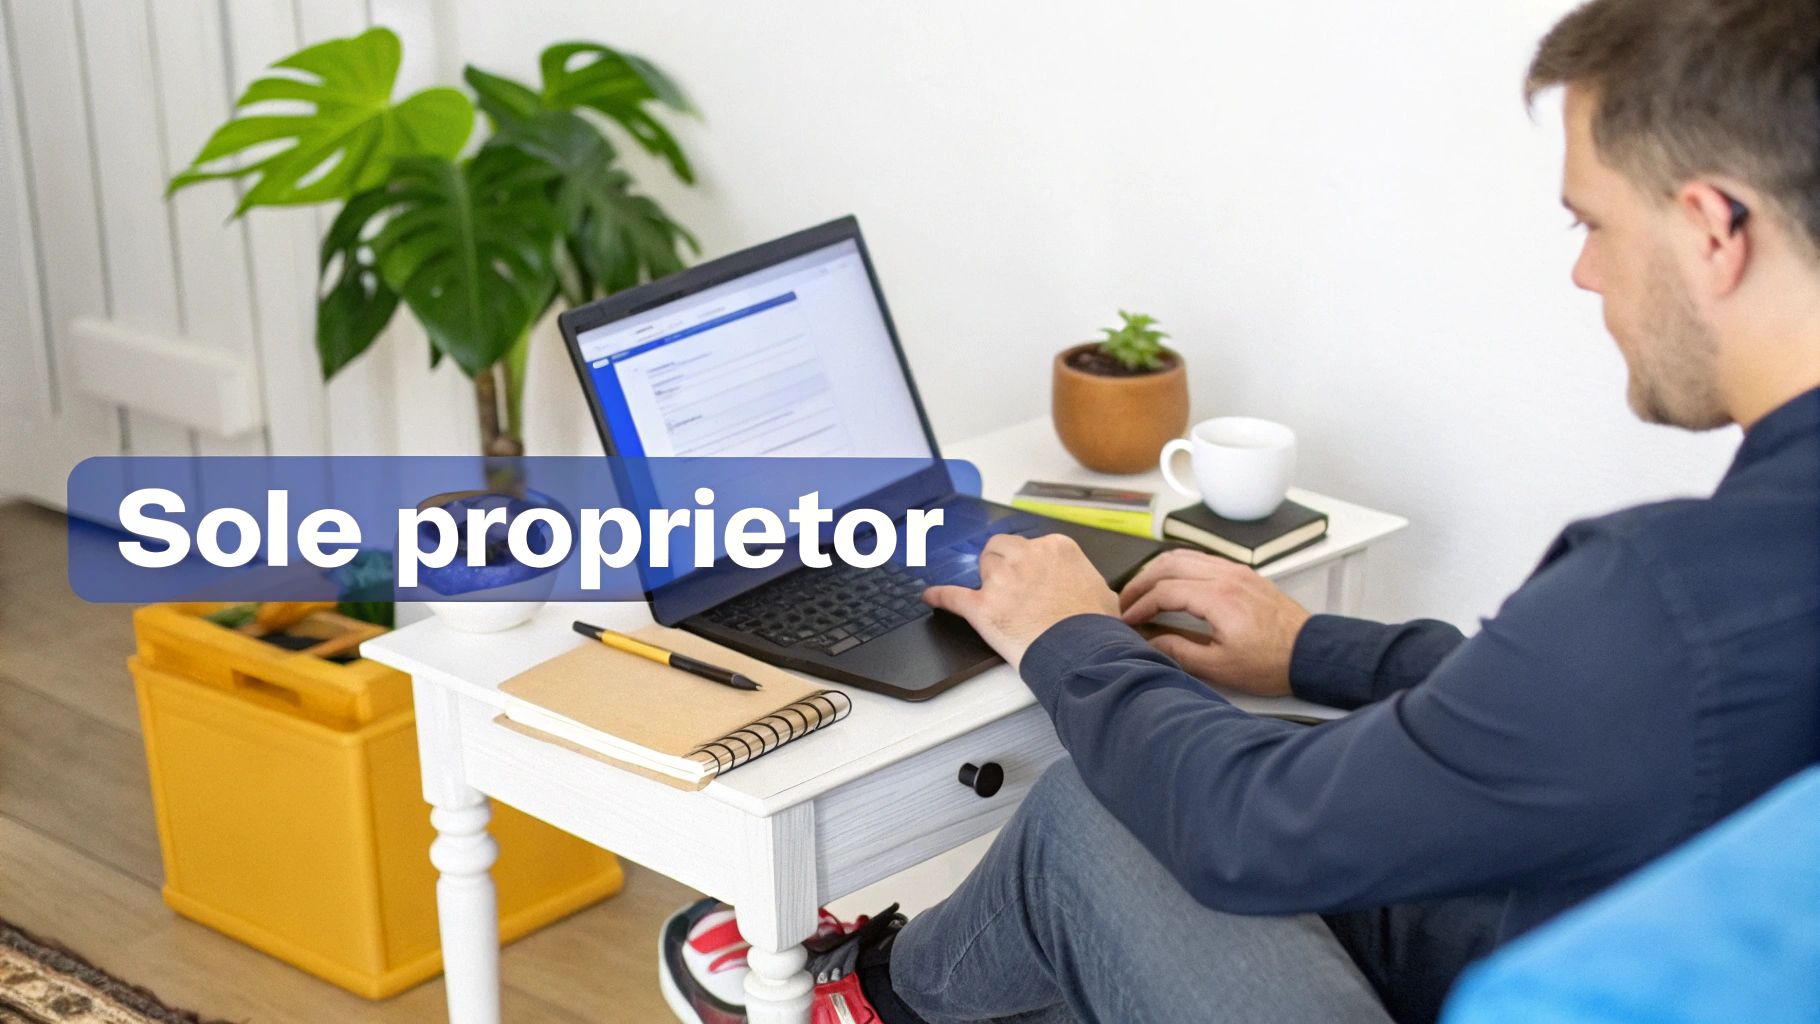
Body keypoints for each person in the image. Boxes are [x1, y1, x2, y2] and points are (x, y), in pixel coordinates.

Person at [660, 1, 1820, 1020]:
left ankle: (866, 1002)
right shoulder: (1736, 581)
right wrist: (1311, 645)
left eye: (1590, 224)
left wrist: (1072, 634)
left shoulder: (1663, 596)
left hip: (1534, 967)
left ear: (1713, 227)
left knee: (1106, 821)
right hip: (1609, 934)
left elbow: (1244, 829)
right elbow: (1578, 710)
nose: (1583, 274)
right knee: (1222, 794)